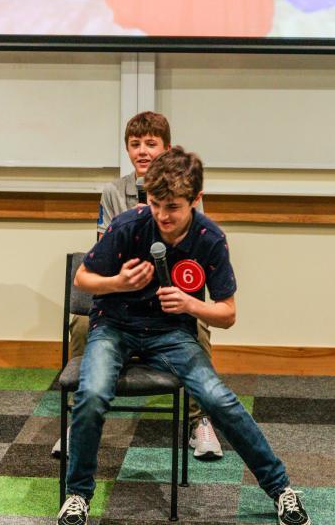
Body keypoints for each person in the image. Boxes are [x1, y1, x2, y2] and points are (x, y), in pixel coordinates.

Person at [57, 147, 312, 525]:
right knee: (92, 395)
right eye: (156, 204)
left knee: (218, 399)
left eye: (173, 207)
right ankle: (78, 494)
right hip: (115, 327)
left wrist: (191, 305)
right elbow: (83, 279)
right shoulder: (128, 225)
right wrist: (117, 282)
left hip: (171, 334)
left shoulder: (210, 238)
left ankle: (281, 489)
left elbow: (227, 315)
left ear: (195, 200)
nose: (162, 215)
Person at [56, 112, 223, 461]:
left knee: (200, 328)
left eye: (151, 144)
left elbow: (192, 250)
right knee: (82, 323)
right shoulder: (114, 192)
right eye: (135, 144)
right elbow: (103, 253)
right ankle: (80, 420)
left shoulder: (185, 190)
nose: (143, 151)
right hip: (121, 291)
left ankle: (199, 420)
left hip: (166, 295)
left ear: (167, 148)